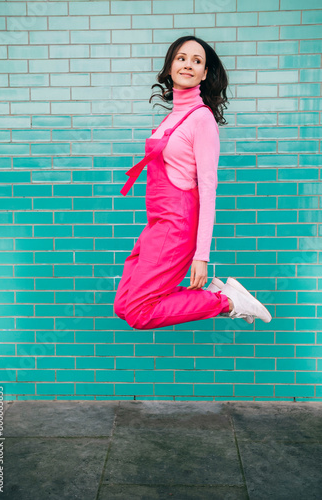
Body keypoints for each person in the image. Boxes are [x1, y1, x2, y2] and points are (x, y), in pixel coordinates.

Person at [114, 35, 272, 330]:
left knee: (139, 313)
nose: (188, 64)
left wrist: (202, 255)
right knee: (124, 304)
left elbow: (209, 190)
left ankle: (228, 302)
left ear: (204, 73)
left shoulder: (201, 119)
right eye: (181, 58)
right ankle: (216, 295)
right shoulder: (172, 118)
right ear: (170, 66)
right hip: (157, 224)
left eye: (197, 61)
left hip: (177, 228)